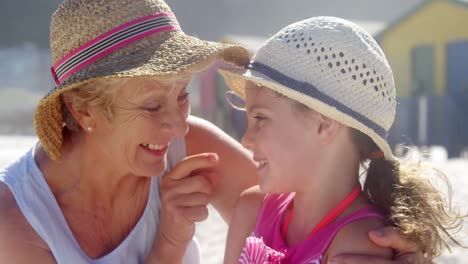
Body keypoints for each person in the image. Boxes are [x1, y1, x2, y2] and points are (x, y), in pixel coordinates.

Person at [0, 0, 431, 263]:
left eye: (182, 96)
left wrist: (408, 240)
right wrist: (169, 239)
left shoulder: (187, 149)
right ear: (83, 110)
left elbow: (309, 197)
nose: (177, 124)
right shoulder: (15, 223)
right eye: (152, 104)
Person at [220, 17, 465, 264]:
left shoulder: (359, 245)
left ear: (323, 125)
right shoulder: (250, 209)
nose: (246, 139)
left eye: (260, 118)